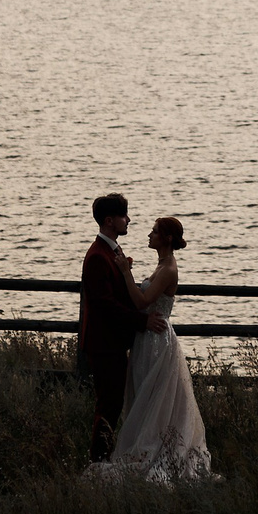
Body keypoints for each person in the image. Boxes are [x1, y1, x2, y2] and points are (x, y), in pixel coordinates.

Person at [92, 215, 212, 481]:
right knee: (143, 393)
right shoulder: (161, 265)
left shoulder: (169, 268)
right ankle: (144, 443)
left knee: (154, 395)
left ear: (166, 238)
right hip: (146, 338)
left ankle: (155, 448)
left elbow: (142, 301)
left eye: (155, 231)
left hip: (158, 341)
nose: (149, 234)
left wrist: (125, 273)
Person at [76, 192, 163, 462]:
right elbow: (104, 304)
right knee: (108, 405)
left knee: (113, 404)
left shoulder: (111, 250)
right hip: (104, 344)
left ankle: (104, 458)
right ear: (109, 220)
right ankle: (98, 462)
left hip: (111, 343)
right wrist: (143, 321)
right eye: (124, 216)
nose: (129, 220)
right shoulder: (98, 257)